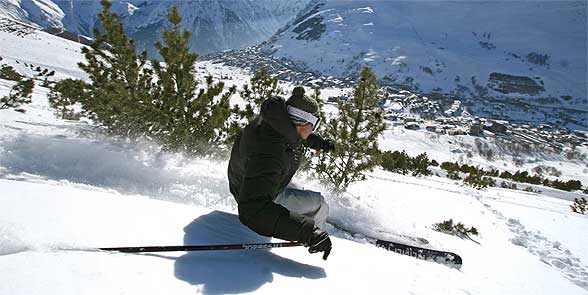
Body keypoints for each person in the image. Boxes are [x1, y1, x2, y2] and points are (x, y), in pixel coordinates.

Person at [228, 86, 335, 260]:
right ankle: (319, 237)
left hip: (245, 180)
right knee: (320, 203)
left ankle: (304, 222)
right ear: (304, 123)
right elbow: (252, 210)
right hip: (254, 195)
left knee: (297, 187)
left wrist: (319, 143)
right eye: (314, 124)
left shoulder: (273, 123)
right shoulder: (271, 153)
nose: (313, 129)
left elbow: (295, 135)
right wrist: (307, 232)